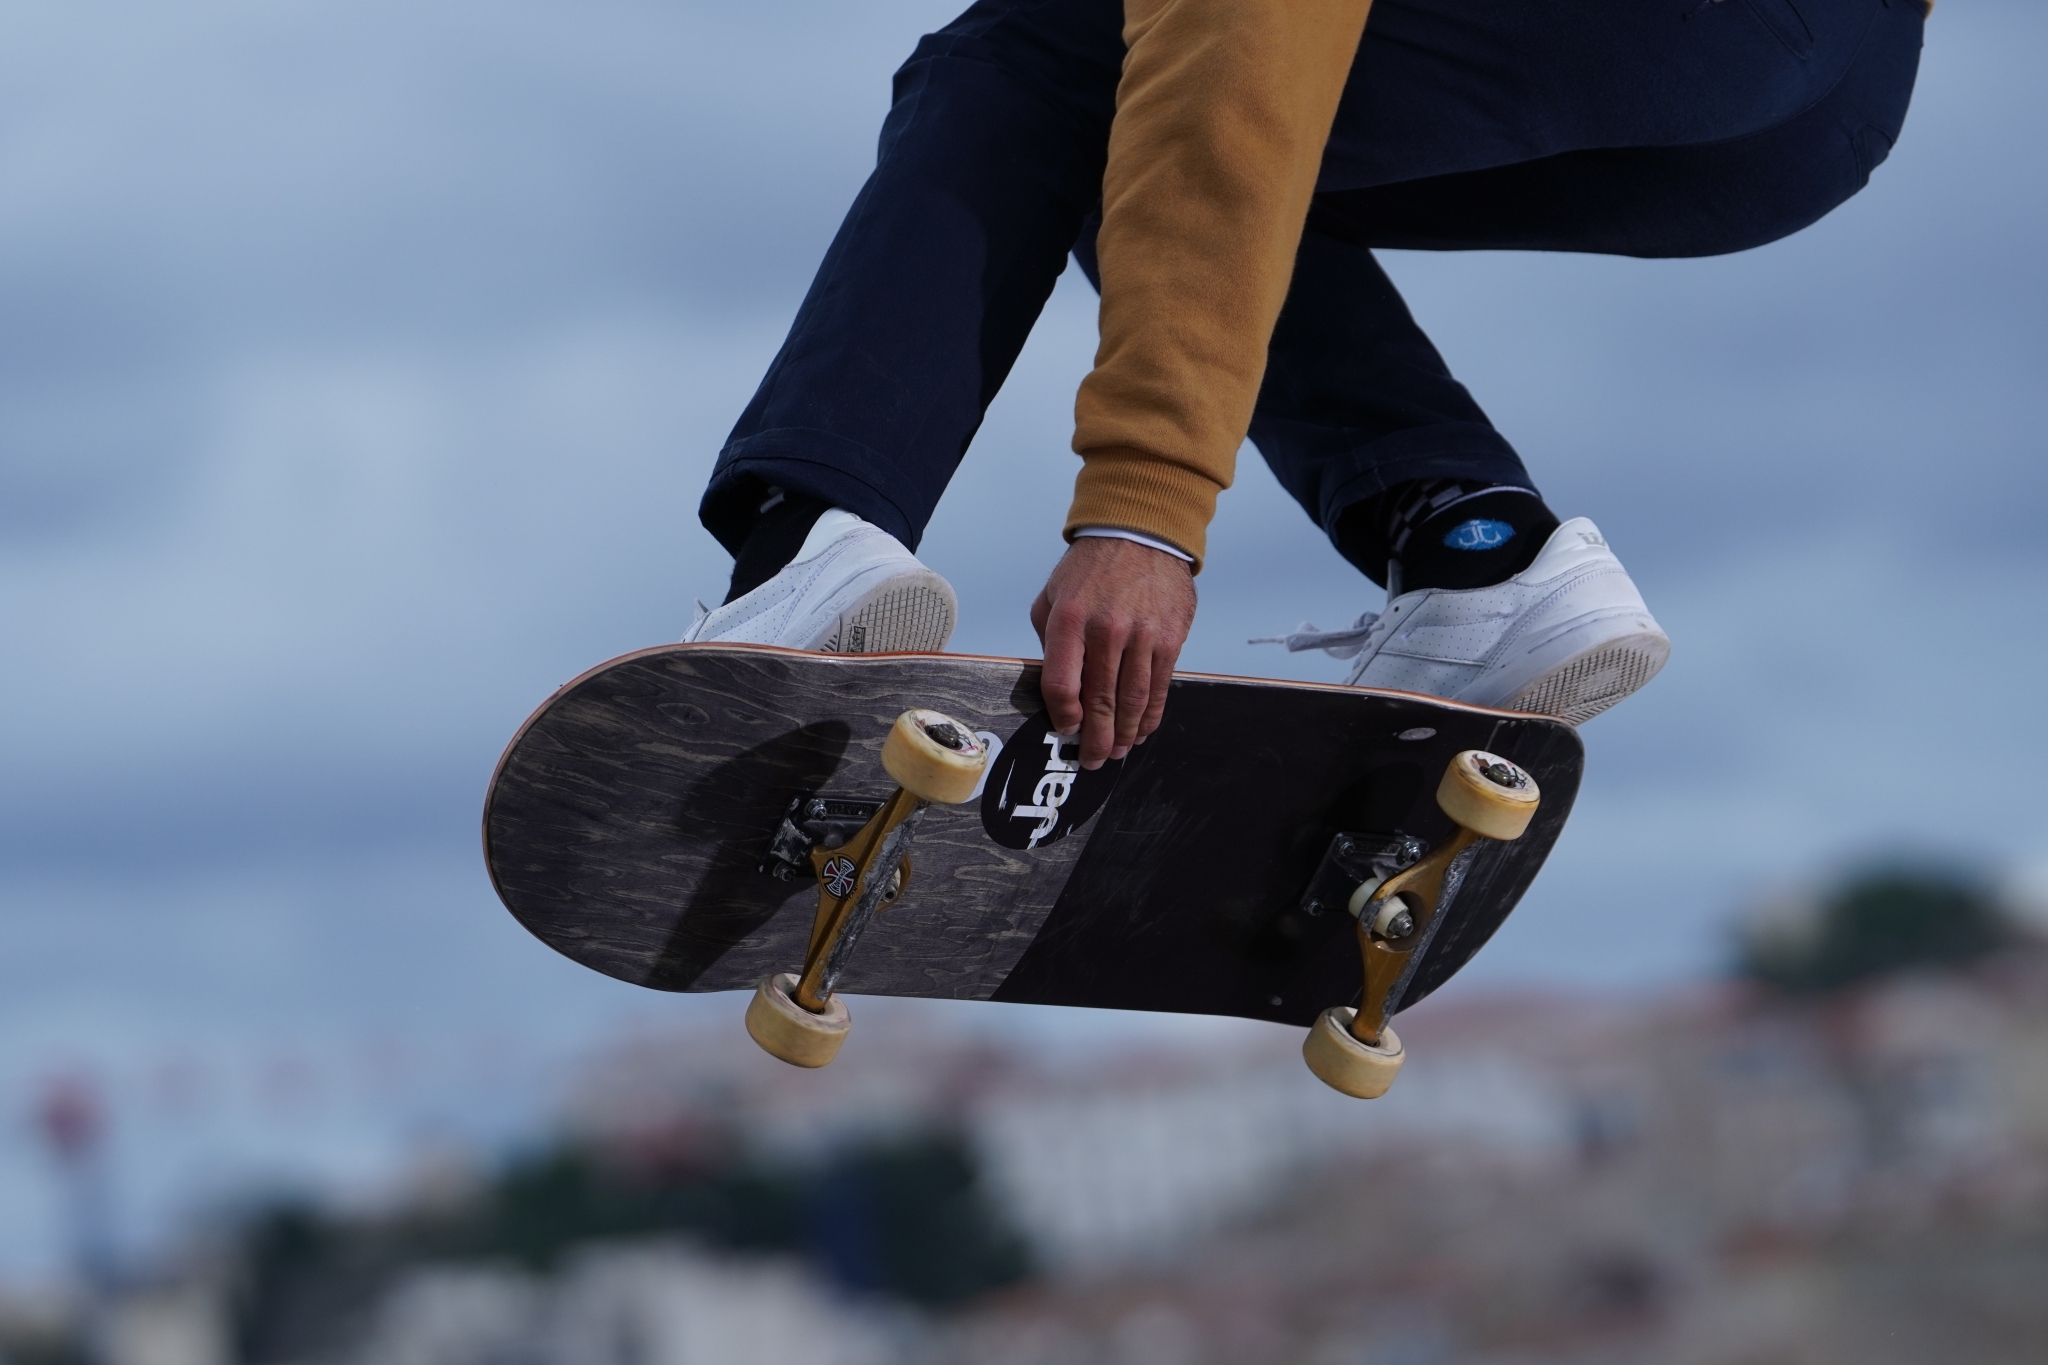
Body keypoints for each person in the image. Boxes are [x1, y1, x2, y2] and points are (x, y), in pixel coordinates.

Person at [683, 0, 1923, 769]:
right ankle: (1474, 550)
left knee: (1046, 61)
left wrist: (1143, 515)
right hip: (1819, 108)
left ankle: (806, 551)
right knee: (1172, 131)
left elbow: (1231, 44)